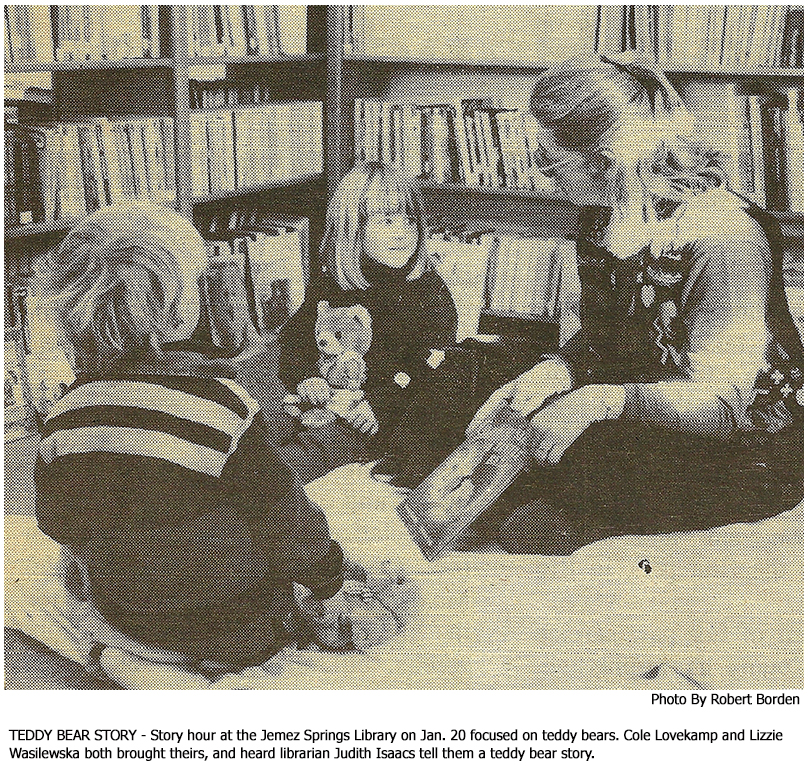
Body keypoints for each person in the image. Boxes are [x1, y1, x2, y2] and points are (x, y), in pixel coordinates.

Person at [32, 203, 399, 672]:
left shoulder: (61, 422)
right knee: (314, 548)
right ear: (177, 307)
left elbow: (56, 522)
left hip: (127, 616)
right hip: (237, 626)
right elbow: (287, 517)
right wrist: (330, 578)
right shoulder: (222, 406)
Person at [467, 54, 803, 554]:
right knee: (481, 382)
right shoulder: (604, 222)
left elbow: (723, 404)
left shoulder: (723, 233)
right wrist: (549, 374)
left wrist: (601, 402)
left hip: (743, 448)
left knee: (574, 469)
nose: (540, 176)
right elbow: (603, 345)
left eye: (549, 161)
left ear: (603, 160)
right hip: (648, 409)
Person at [277, 163, 458, 477]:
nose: (402, 233)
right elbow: (295, 341)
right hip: (327, 403)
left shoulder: (429, 290)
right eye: (387, 221)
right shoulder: (331, 284)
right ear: (353, 229)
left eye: (410, 221)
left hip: (385, 419)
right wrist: (307, 377)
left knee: (294, 465)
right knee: (261, 436)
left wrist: (378, 404)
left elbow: (432, 368)